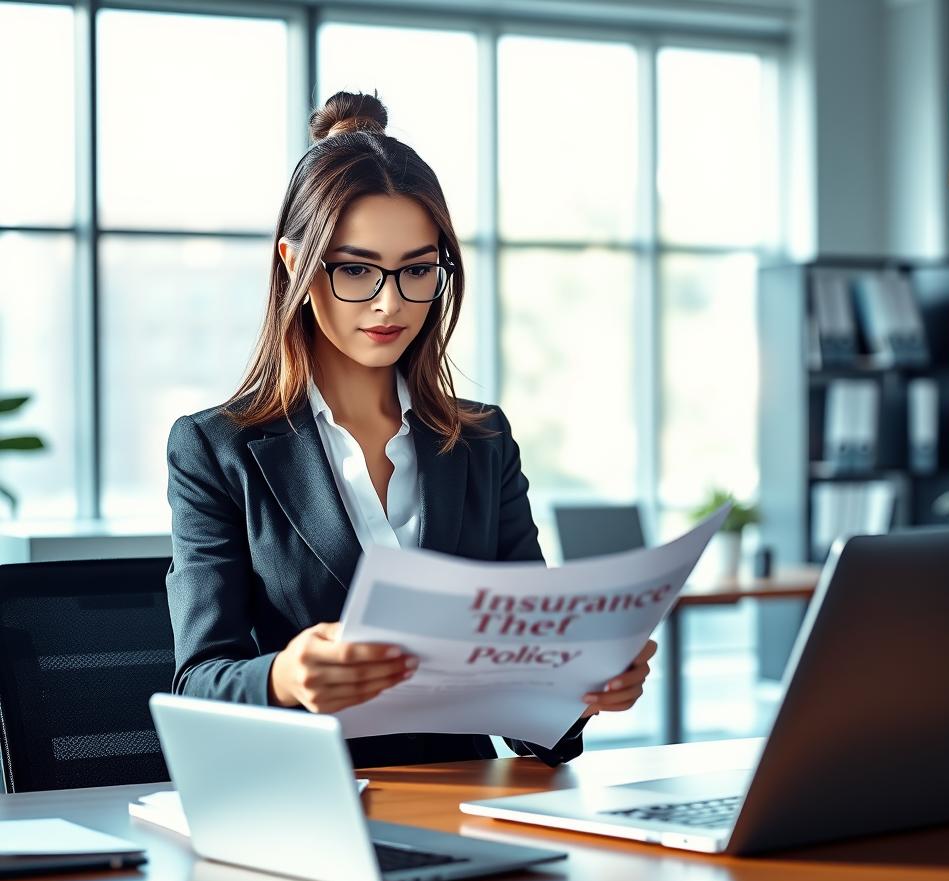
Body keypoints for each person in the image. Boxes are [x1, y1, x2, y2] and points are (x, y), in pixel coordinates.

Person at [165, 90, 657, 769]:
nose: (390, 302)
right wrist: (282, 678)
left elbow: (534, 722)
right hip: (307, 807)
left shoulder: (482, 442)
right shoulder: (216, 450)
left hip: (471, 806)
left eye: (418, 270)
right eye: (357, 270)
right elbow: (196, 683)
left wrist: (583, 687)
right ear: (294, 265)